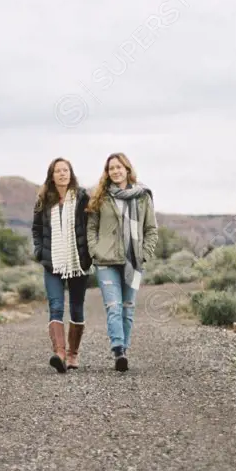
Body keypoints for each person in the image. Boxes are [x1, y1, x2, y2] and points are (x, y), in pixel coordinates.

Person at [86, 152, 158, 372]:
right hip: (106, 261)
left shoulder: (142, 196)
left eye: (119, 167)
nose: (115, 171)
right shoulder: (100, 197)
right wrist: (95, 250)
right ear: (107, 173)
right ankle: (118, 350)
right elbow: (91, 228)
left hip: (133, 261)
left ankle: (124, 351)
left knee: (128, 308)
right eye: (111, 168)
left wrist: (143, 255)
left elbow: (151, 230)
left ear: (127, 169)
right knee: (114, 307)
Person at [32, 158, 92, 373]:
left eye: (65, 170)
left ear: (71, 173)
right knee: (55, 306)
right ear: (52, 175)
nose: (62, 174)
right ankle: (59, 353)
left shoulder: (82, 197)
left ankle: (73, 354)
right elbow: (36, 230)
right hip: (52, 262)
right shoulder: (43, 200)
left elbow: (91, 225)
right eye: (58, 171)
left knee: (76, 306)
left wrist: (89, 252)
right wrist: (39, 251)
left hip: (78, 261)